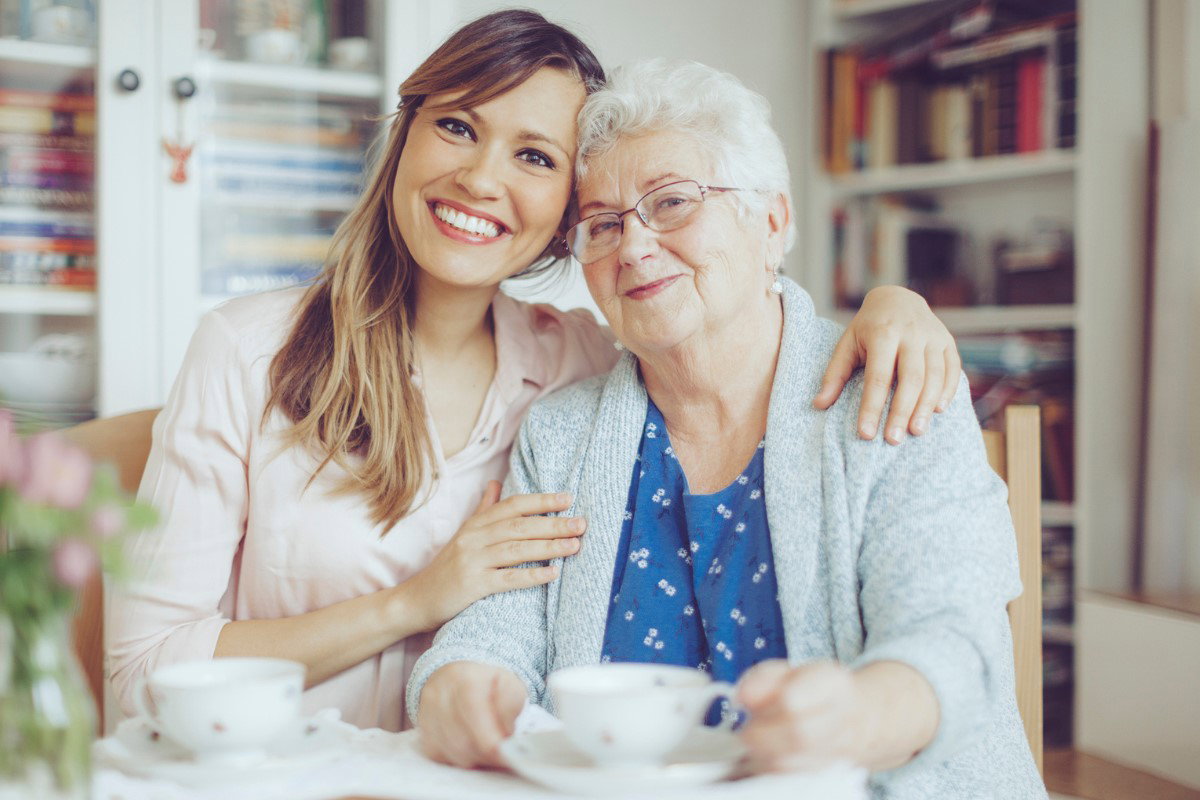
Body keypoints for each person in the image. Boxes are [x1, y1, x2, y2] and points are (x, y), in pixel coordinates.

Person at [106, 12, 962, 734]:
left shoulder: (582, 369)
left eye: (536, 157)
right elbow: (140, 672)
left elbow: (716, 322)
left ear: (564, 219)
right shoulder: (246, 351)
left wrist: (895, 304)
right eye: (457, 126)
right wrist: (416, 601)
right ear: (405, 135)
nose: (480, 178)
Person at [409, 59, 1046, 799]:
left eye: (673, 202)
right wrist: (456, 686)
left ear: (771, 222)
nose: (634, 247)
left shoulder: (893, 385)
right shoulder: (560, 433)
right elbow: (497, 632)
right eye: (604, 225)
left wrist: (857, 717)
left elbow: (954, 642)